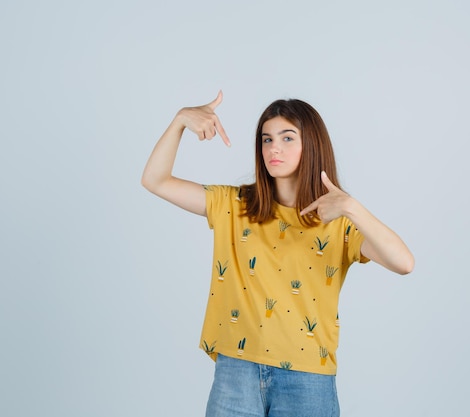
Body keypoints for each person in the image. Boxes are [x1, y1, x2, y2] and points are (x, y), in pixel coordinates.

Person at [141, 91, 414, 417]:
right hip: (236, 372)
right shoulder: (234, 205)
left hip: (307, 377)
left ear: (311, 145)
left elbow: (404, 263)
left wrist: (352, 208)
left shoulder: (337, 221)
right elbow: (155, 180)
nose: (274, 148)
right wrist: (179, 121)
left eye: (287, 138)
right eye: (267, 139)